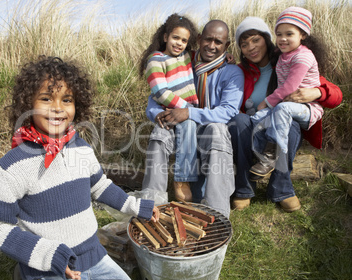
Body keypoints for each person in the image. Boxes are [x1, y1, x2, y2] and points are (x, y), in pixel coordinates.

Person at [0, 56, 159, 280]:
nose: (57, 108)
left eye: (67, 100)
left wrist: (137, 206)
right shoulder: (12, 167)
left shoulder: (81, 148)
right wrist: (48, 256)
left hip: (94, 256)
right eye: (46, 99)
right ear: (28, 104)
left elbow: (100, 186)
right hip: (47, 268)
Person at [229, 16, 342, 212]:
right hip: (252, 131)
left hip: (280, 129)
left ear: (266, 39)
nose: (251, 47)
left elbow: (336, 95)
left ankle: (282, 188)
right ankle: (244, 188)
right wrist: (224, 60)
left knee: (289, 124)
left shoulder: (287, 59)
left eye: (256, 40)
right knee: (239, 120)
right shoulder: (240, 71)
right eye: (244, 44)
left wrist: (318, 92)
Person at [142, 19, 244, 219]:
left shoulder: (232, 72)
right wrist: (157, 114)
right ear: (199, 39)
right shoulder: (183, 62)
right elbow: (156, 95)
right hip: (182, 130)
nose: (212, 46)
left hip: (209, 135)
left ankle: (218, 213)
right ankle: (152, 206)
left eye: (218, 42)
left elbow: (227, 111)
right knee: (161, 130)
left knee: (217, 129)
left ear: (227, 46)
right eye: (208, 40)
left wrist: (189, 113)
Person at [248, 7, 327, 180]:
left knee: (281, 109)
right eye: (279, 34)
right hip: (286, 105)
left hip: (307, 108)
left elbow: (290, 87)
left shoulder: (303, 57)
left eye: (289, 34)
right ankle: (260, 154)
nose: (283, 39)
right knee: (257, 117)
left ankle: (272, 155)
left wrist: (267, 102)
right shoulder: (283, 55)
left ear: (303, 35)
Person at [139, 13, 199, 202]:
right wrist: (185, 107)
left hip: (187, 112)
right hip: (170, 112)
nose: (179, 43)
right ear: (165, 37)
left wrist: (227, 57)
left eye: (184, 40)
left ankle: (182, 180)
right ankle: (161, 191)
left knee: (189, 127)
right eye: (175, 38)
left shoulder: (187, 57)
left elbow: (208, 55)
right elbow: (159, 92)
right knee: (164, 135)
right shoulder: (156, 60)